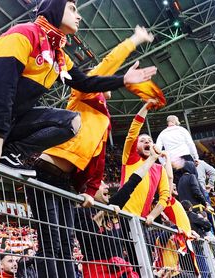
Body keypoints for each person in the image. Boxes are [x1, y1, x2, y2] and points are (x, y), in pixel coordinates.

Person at [0, 0, 157, 276]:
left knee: (70, 122)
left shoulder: (58, 54)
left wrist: (122, 80)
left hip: (13, 122)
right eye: (73, 8)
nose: (79, 15)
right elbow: (3, 87)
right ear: (53, 9)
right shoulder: (23, 34)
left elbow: (85, 82)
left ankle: (12, 153)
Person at [25, 25, 155, 278]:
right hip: (45, 170)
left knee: (64, 243)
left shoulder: (103, 116)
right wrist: (134, 41)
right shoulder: (84, 94)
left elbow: (97, 158)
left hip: (64, 180)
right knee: (52, 242)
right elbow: (107, 64)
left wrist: (90, 191)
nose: (106, 78)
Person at [74, 144, 162, 277]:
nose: (107, 186)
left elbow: (132, 182)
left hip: (120, 267)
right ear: (89, 188)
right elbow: (89, 234)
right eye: (101, 183)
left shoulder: (112, 205)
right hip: (98, 270)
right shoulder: (80, 212)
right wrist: (105, 212)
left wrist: (152, 159)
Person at [120, 100, 170, 224]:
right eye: (142, 140)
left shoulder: (159, 169)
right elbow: (133, 132)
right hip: (124, 217)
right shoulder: (130, 158)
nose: (147, 142)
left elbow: (165, 197)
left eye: (149, 140)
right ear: (136, 146)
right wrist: (146, 107)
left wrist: (152, 215)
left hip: (142, 221)